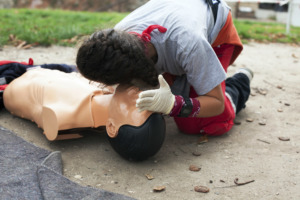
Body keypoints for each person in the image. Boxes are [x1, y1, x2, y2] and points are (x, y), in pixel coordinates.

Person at [76, 0, 253, 136]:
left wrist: (174, 105)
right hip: (179, 24)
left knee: (197, 123)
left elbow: (216, 104)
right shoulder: (117, 40)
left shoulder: (189, 43)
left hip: (216, 34)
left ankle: (238, 83)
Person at [3, 68, 166, 160]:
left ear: (111, 127)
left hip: (15, 85)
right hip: (44, 71)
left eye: (137, 107)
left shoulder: (61, 116)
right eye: (148, 104)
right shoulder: (110, 88)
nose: (140, 97)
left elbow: (15, 96)